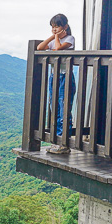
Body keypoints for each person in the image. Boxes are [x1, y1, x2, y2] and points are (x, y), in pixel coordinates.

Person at [38, 14, 75, 154]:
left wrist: (57, 38)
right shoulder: (54, 40)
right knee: (55, 107)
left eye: (57, 26)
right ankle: (57, 141)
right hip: (54, 76)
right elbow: (40, 47)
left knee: (64, 108)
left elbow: (59, 49)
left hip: (65, 76)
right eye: (52, 27)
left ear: (65, 26)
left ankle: (63, 142)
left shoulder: (70, 39)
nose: (54, 29)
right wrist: (53, 36)